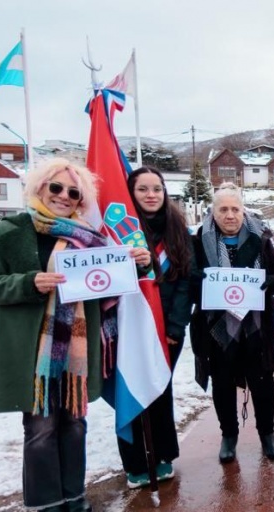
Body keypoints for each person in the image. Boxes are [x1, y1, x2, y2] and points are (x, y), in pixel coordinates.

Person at [0, 158, 152, 512]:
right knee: (40, 429)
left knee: (75, 424)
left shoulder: (91, 240)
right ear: (39, 188)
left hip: (77, 352)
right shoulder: (9, 232)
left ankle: (74, 496)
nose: (63, 196)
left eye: (74, 192)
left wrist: (136, 263)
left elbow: (106, 284)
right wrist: (29, 283)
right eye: (56, 187)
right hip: (32, 352)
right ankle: (46, 504)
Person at [190, 183, 274, 464]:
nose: (230, 215)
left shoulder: (262, 239)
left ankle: (267, 433)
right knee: (222, 383)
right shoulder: (199, 241)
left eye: (235, 209)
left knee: (263, 382)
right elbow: (189, 279)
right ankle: (228, 435)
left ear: (244, 211)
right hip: (216, 327)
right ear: (213, 212)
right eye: (223, 210)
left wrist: (269, 281)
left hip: (257, 326)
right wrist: (201, 283)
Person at [117, 167, 194, 488]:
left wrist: (175, 327)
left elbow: (187, 280)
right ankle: (135, 461)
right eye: (143, 189)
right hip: (131, 327)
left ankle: (163, 455)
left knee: (161, 389)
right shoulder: (119, 232)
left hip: (168, 329)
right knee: (132, 389)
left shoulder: (178, 231)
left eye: (157, 189)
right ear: (130, 193)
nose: (151, 195)